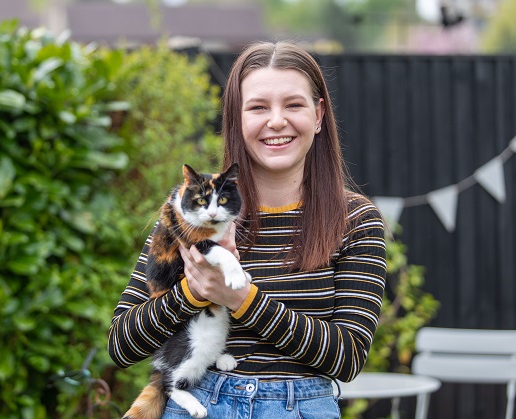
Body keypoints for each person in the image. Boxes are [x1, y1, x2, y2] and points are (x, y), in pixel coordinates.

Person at [108, 41, 387, 419]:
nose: (276, 121)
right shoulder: (192, 217)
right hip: (198, 404)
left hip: (299, 408)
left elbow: (348, 357)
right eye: (258, 107)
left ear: (318, 115)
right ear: (236, 119)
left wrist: (241, 299)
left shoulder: (354, 219)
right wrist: (193, 293)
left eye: (293, 104)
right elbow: (121, 343)